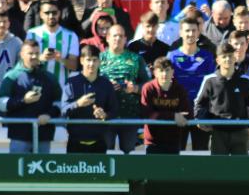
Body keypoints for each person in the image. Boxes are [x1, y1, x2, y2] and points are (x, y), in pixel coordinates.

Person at [194, 43, 249, 156]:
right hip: (218, 133)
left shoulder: (245, 80)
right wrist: (201, 120)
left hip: (240, 132)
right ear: (218, 60)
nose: (227, 59)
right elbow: (198, 104)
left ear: (235, 58)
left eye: (230, 56)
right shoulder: (209, 80)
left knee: (240, 170)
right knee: (218, 170)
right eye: (224, 56)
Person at [0, 40, 62, 153]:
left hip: (44, 135)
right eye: (30, 53)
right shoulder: (11, 76)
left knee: (43, 170)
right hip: (19, 135)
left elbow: (59, 103)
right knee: (17, 169)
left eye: (37, 53)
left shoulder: (50, 77)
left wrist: (49, 115)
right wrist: (23, 100)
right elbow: (1, 105)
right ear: (21, 54)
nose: (34, 56)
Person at [168, 18, 216, 151]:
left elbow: (212, 87)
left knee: (201, 153)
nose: (190, 34)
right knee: (177, 152)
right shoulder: (171, 56)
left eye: (194, 30)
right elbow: (167, 86)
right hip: (179, 113)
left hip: (200, 113)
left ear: (198, 32)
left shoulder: (207, 57)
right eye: (187, 30)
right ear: (181, 33)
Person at [101, 24, 150, 153]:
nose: (117, 38)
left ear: (125, 39)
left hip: (130, 116)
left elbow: (148, 86)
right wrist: (106, 87)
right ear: (107, 38)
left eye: (121, 36)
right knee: (105, 153)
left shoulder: (136, 59)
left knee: (129, 155)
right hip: (105, 116)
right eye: (114, 35)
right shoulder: (99, 59)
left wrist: (134, 88)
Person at [61, 44, 118, 154]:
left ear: (99, 62)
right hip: (75, 144)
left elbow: (114, 110)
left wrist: (104, 115)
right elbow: (63, 111)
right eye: (88, 60)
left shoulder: (106, 84)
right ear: (82, 61)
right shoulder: (71, 82)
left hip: (99, 144)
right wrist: (78, 104)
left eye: (95, 60)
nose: (91, 64)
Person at [140, 57, 191, 155]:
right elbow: (147, 114)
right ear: (155, 72)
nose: (164, 74)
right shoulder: (148, 88)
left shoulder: (179, 90)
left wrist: (181, 117)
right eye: (161, 71)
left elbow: (188, 114)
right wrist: (174, 116)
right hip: (152, 142)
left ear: (172, 72)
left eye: (167, 70)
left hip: (174, 141)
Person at [26, 0, 79, 89]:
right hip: (37, 87)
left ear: (59, 13)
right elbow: (25, 62)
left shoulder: (71, 35)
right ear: (41, 14)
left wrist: (60, 59)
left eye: (54, 12)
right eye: (47, 13)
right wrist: (41, 58)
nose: (51, 16)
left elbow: (74, 66)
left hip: (61, 88)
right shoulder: (32, 34)